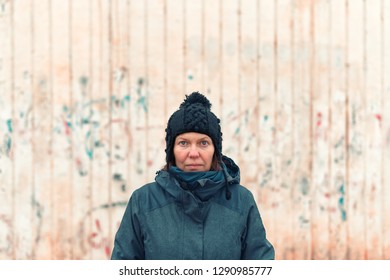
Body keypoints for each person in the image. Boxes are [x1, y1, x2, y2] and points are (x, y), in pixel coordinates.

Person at [111, 92, 275, 260]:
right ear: (172, 151)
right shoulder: (143, 201)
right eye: (184, 143)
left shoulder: (241, 201)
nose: (194, 153)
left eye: (203, 143)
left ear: (215, 151)